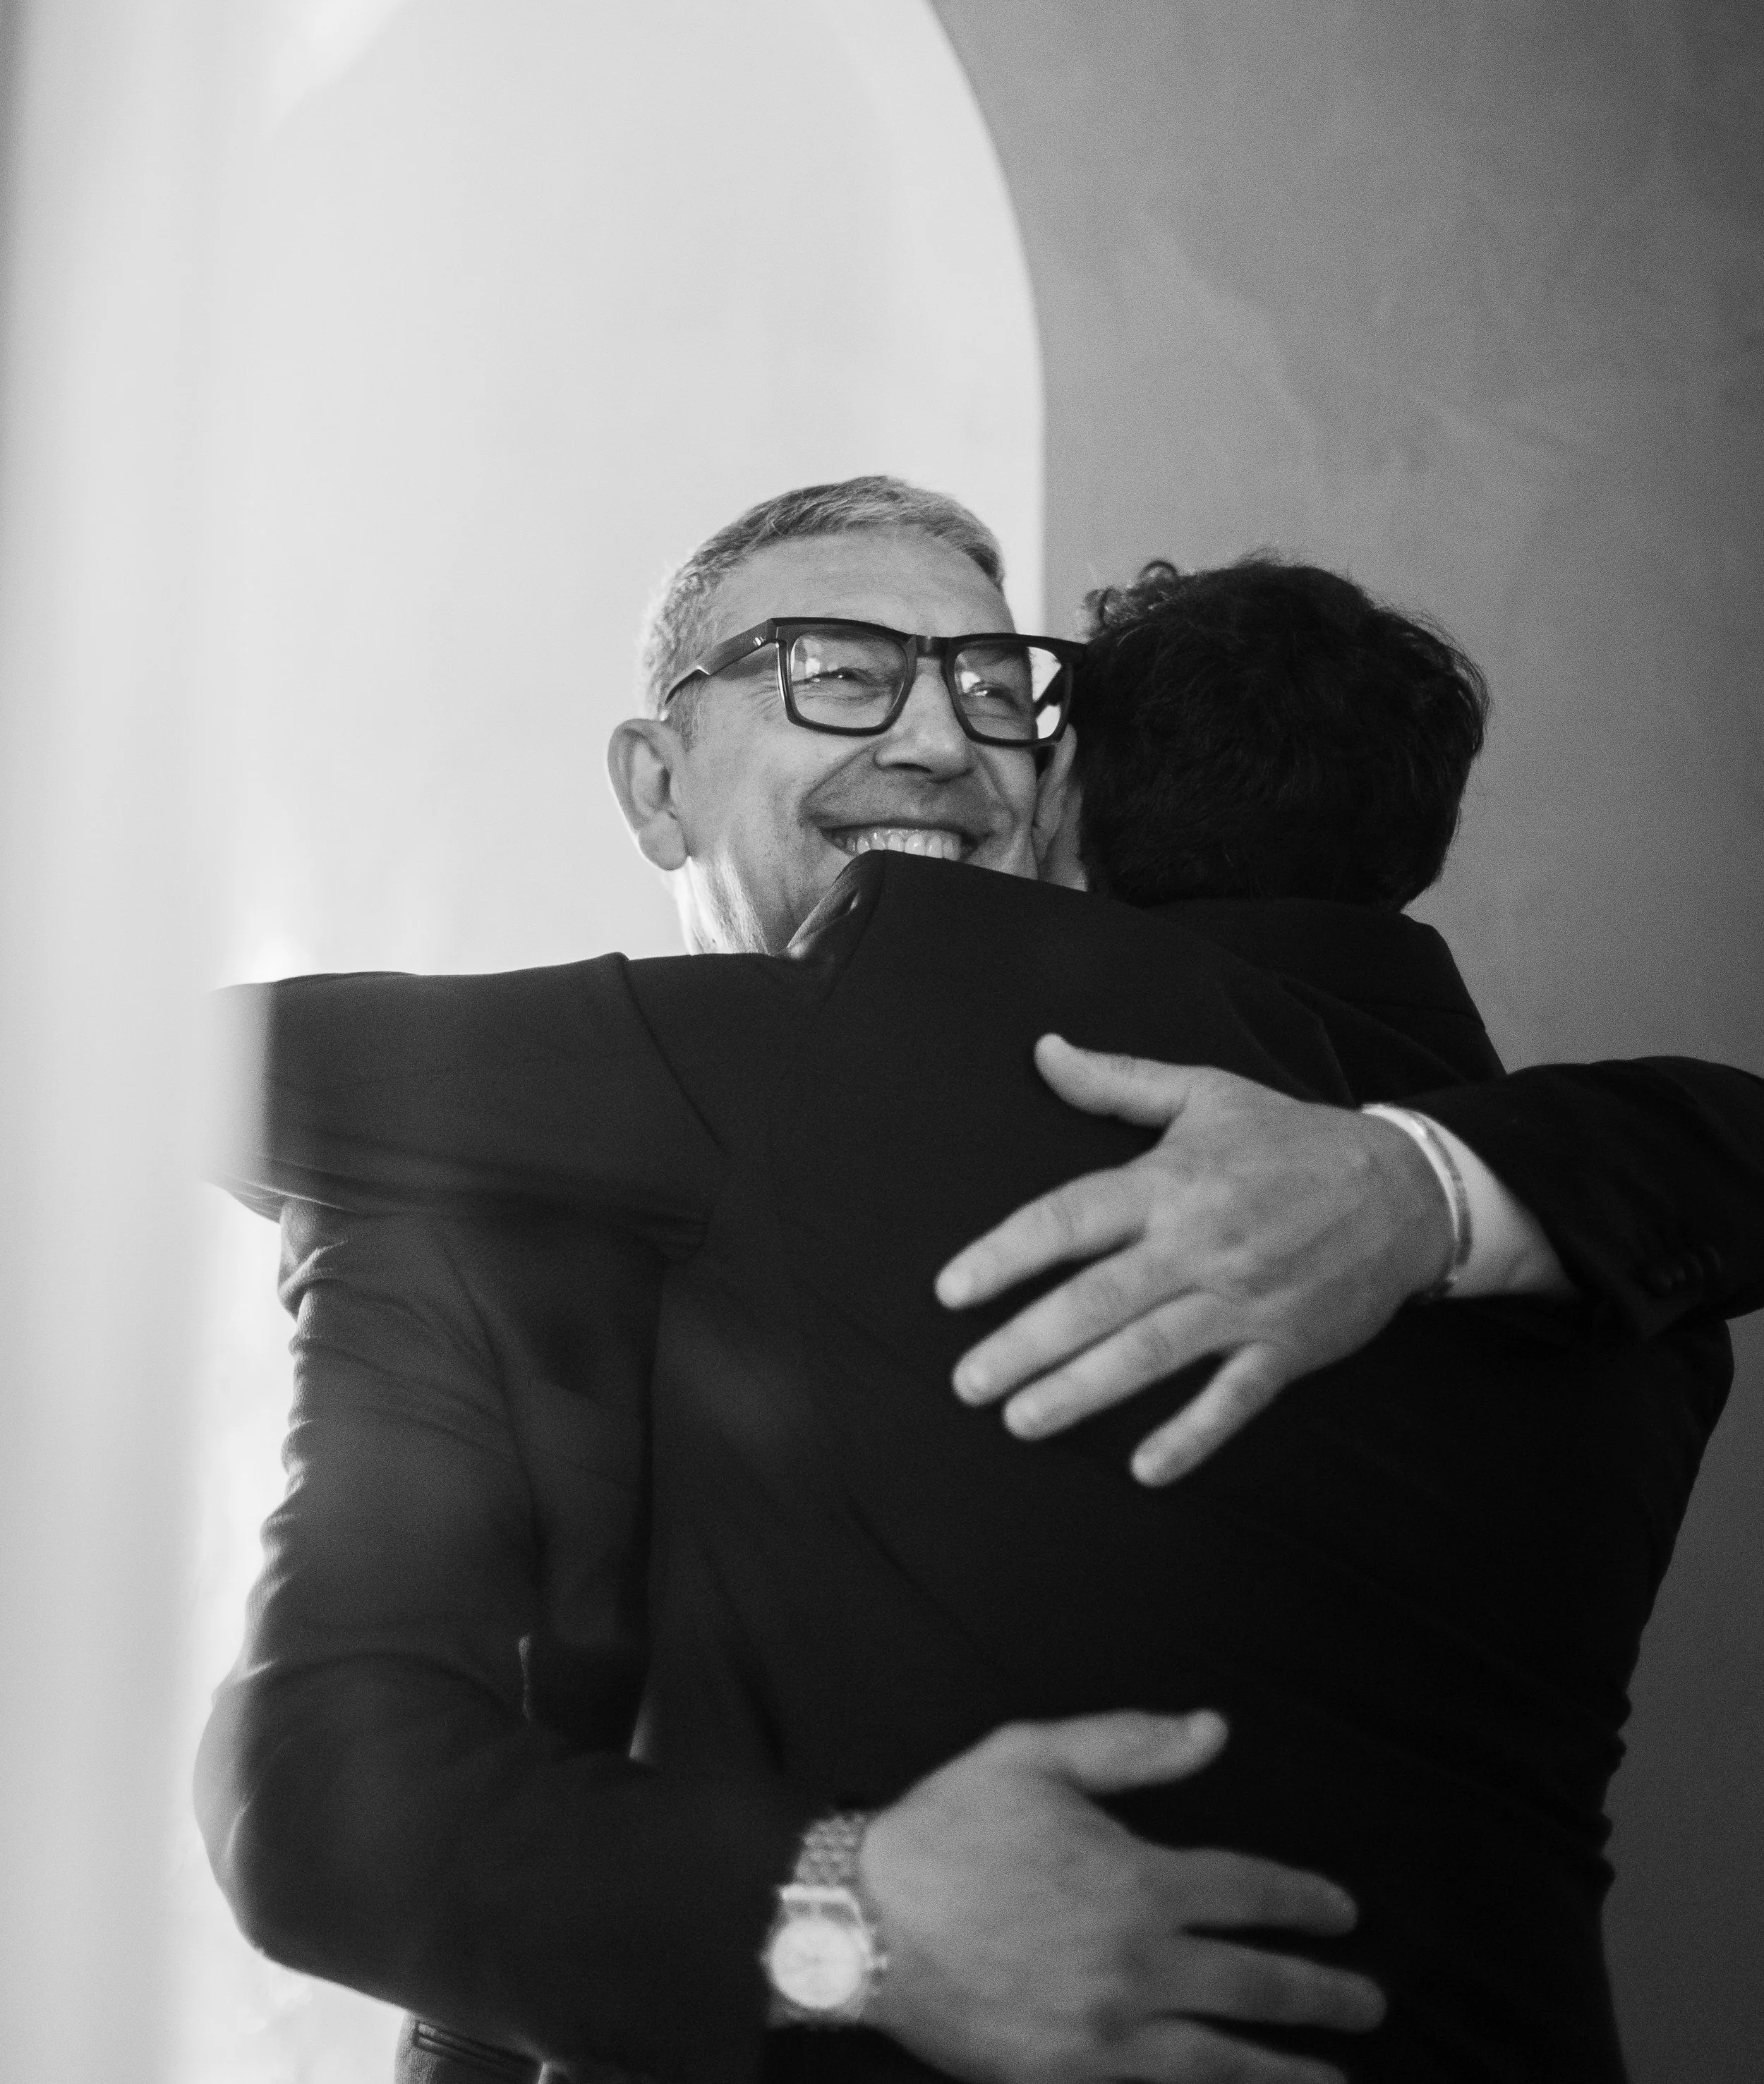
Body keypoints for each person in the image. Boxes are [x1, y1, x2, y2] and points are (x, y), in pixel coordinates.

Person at [201, 482, 1763, 2084]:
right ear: (655, 783)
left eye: (995, 685)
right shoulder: (441, 1210)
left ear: (1064, 776)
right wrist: (838, 1925)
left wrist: (1421, 1184)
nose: (941, 741)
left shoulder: (1365, 1156)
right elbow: (320, 1807)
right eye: (833, 668)